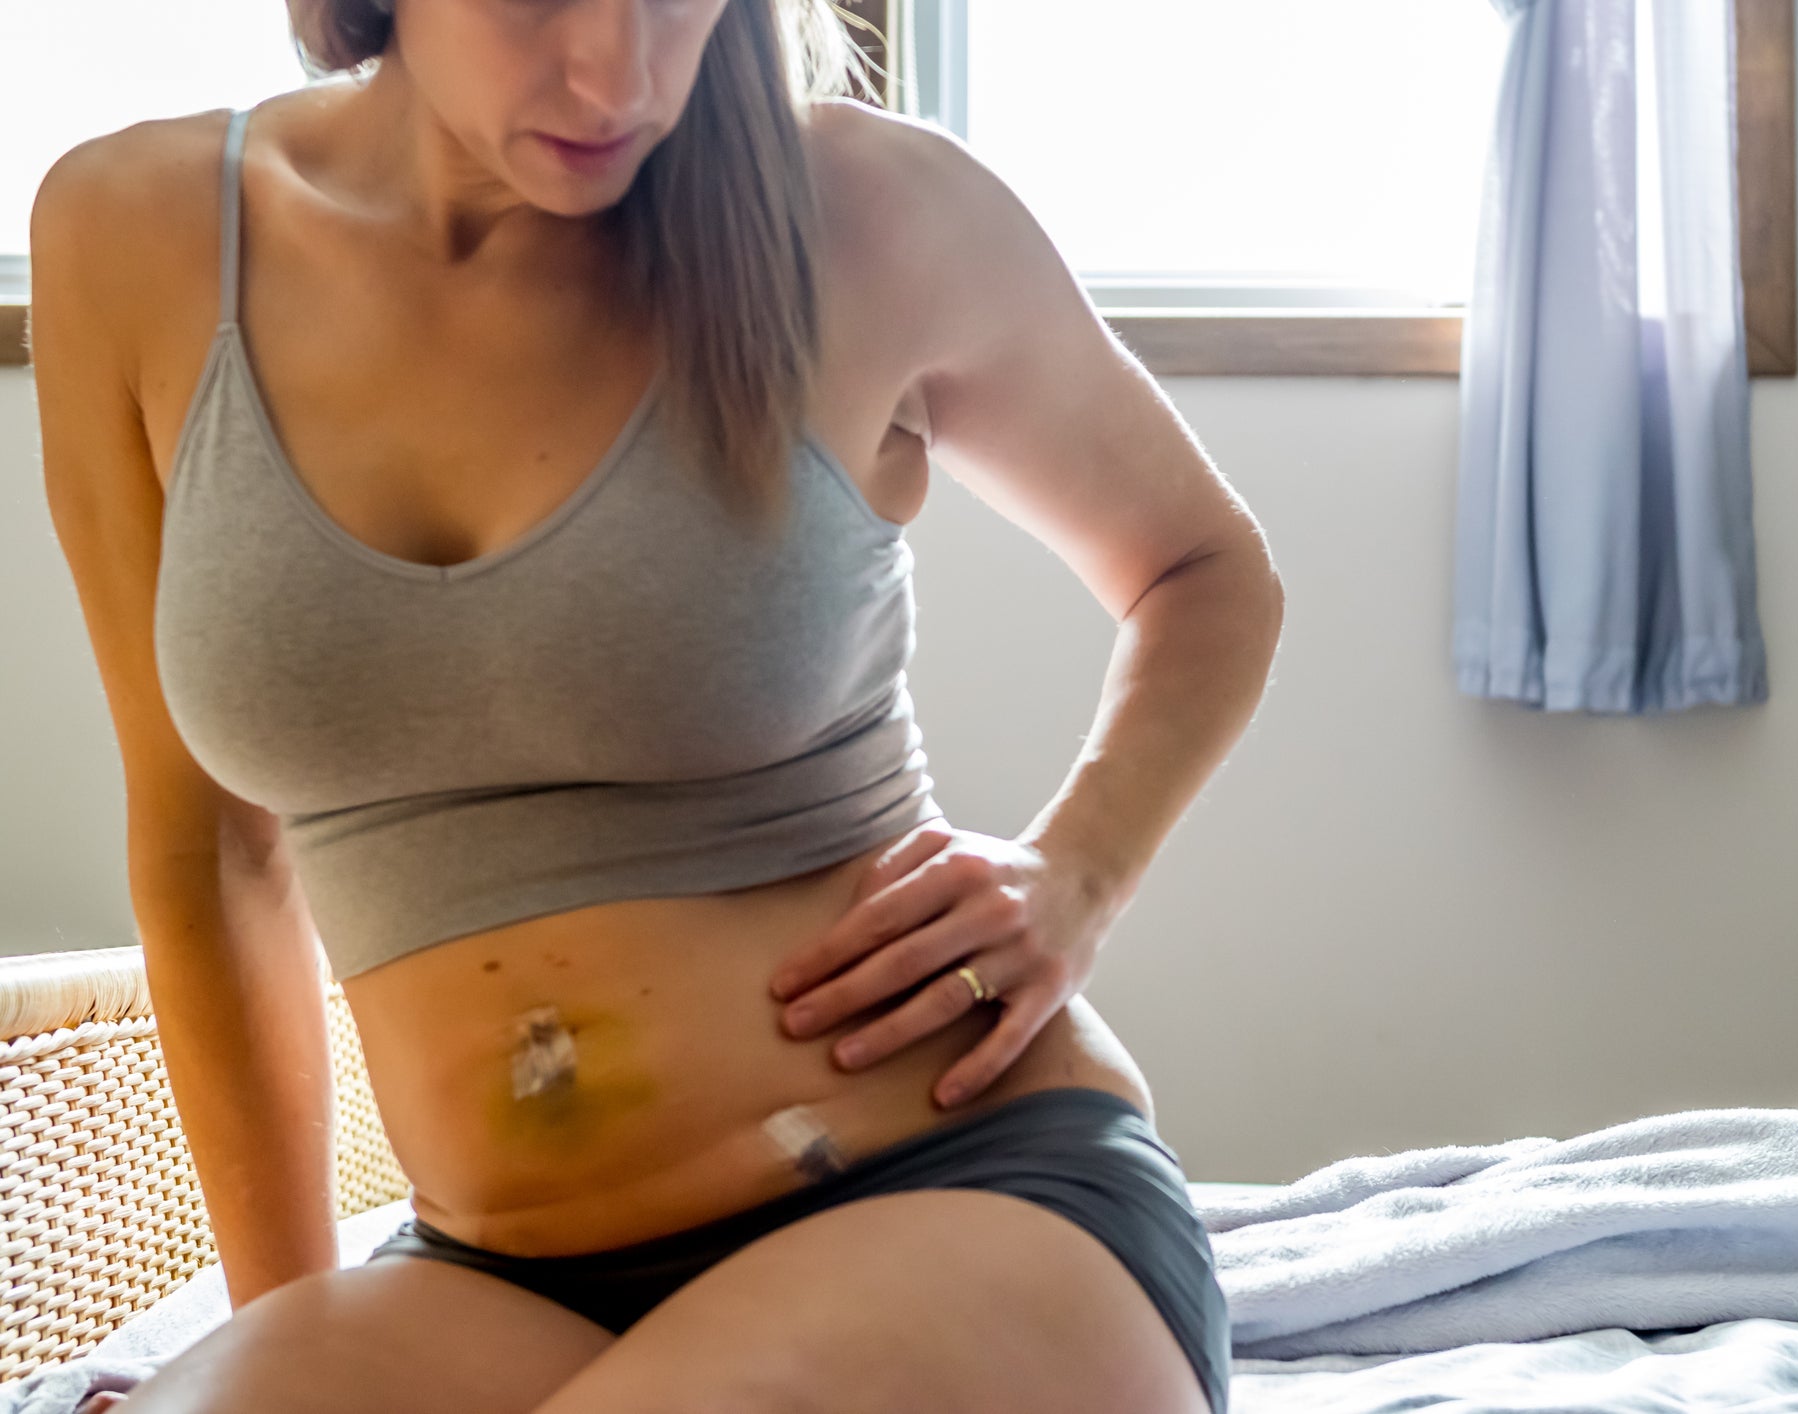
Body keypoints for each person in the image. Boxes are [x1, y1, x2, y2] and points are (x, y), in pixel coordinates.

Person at [29, 0, 1283, 1408]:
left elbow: (1205, 566)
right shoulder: (128, 237)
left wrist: (1077, 869)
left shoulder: (869, 209)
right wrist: (295, 1332)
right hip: (487, 1270)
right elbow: (207, 852)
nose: (618, 77)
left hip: (946, 1182)